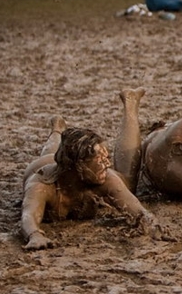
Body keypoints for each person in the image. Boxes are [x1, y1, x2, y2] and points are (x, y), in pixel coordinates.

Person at [20, 90, 171, 250]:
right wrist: (35, 235)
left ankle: (130, 102)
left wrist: (153, 225)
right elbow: (28, 215)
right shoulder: (42, 184)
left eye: (106, 159)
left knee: (129, 183)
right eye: (100, 161)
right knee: (52, 153)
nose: (108, 165)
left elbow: (139, 211)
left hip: (65, 163)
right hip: (47, 164)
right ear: (80, 166)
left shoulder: (106, 178)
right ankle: (57, 130)